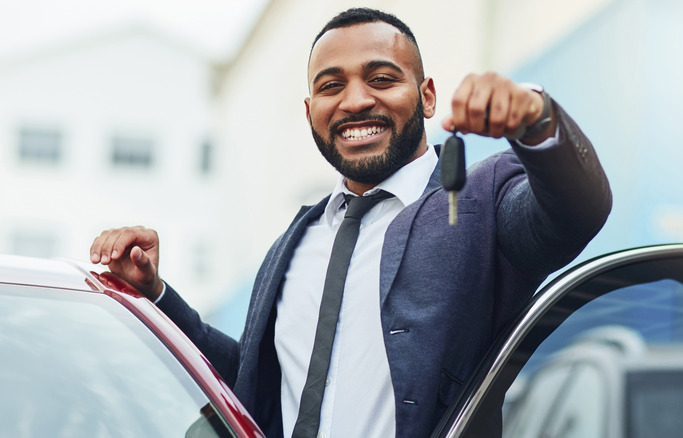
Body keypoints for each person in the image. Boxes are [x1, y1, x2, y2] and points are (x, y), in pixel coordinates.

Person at [90, 7, 611, 438]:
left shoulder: (478, 204)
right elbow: (249, 386)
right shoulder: (295, 242)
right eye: (331, 86)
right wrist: (156, 294)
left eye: (382, 79)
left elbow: (576, 209)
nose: (356, 101)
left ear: (427, 96)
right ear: (311, 108)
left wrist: (538, 119)